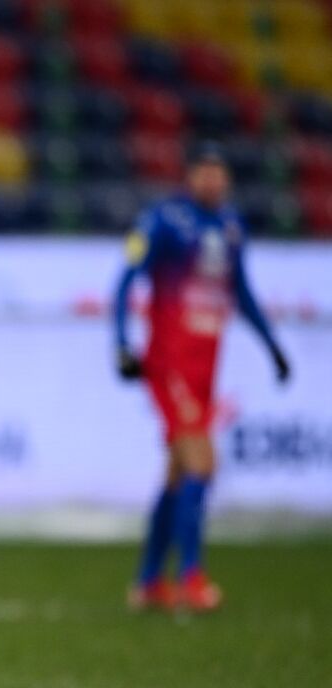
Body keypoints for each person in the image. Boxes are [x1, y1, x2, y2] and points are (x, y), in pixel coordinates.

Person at [115, 143, 290, 613]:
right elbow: (126, 280)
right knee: (202, 465)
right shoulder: (165, 221)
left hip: (205, 369)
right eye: (204, 172)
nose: (212, 181)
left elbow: (242, 293)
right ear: (190, 177)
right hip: (168, 364)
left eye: (219, 172)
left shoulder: (233, 227)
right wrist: (121, 343)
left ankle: (149, 582)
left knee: (177, 476)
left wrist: (273, 346)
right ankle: (191, 578)